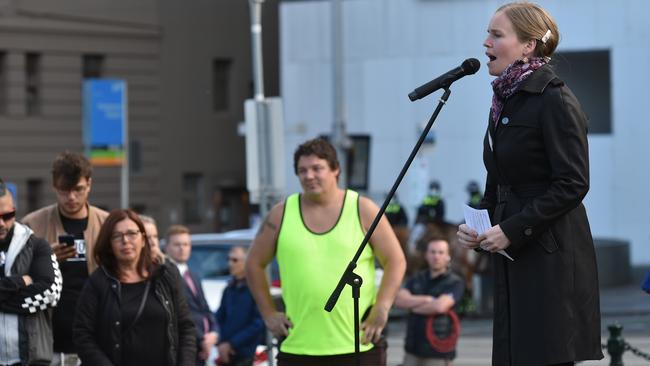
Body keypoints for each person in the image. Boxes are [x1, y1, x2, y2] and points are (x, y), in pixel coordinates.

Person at [456, 3, 603, 365]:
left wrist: (512, 229)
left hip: (548, 258)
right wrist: (483, 225)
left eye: (496, 34)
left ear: (528, 46)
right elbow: (499, 176)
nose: (485, 41)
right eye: (488, 32)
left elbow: (573, 182)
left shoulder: (554, 99)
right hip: (513, 253)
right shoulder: (504, 101)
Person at [246, 138, 406, 366]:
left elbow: (396, 260)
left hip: (358, 345)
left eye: (317, 168)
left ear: (335, 169)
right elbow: (253, 263)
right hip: (298, 347)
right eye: (302, 170)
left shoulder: (362, 209)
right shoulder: (280, 214)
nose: (309, 176)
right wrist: (268, 313)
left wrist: (382, 307)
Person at [73, 209, 196, 366]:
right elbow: (83, 335)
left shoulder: (165, 275)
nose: (125, 241)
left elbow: (186, 327)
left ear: (143, 239)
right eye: (117, 236)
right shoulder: (98, 282)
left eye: (132, 233)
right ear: (109, 244)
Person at [22, 151, 109, 366]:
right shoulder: (32, 225)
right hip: (47, 342)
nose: (71, 197)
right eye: (64, 190)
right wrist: (45, 261)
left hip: (96, 340)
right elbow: (15, 277)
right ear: (54, 187)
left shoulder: (107, 224)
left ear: (89, 184)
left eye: (78, 189)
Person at [0, 178, 62, 365]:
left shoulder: (36, 245)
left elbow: (51, 293)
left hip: (31, 359)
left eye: (7, 215)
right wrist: (20, 282)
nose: (2, 223)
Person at [395, 236, 464, 366]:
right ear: (426, 255)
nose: (436, 256)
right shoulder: (416, 278)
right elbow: (399, 300)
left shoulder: (455, 282)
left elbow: (440, 307)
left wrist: (412, 305)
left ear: (448, 256)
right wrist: (427, 299)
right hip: (412, 351)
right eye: (432, 252)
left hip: (437, 354)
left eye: (441, 252)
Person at [165, 225, 219, 366]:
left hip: (202, 347)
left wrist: (214, 332)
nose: (182, 248)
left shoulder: (193, 275)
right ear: (167, 247)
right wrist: (202, 340)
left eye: (186, 244)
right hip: (184, 347)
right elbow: (179, 314)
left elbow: (204, 308)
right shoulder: (164, 276)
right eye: (177, 244)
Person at [215, 246, 265, 366]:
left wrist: (232, 343)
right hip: (226, 352)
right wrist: (222, 343)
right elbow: (219, 317)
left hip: (246, 354)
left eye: (235, 260)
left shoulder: (256, 288)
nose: (230, 263)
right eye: (228, 259)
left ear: (247, 261)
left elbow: (258, 323)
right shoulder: (229, 289)